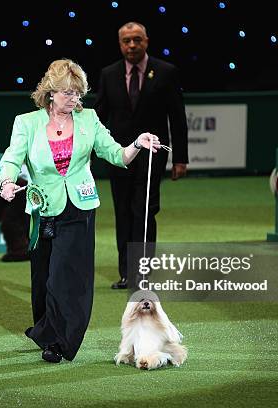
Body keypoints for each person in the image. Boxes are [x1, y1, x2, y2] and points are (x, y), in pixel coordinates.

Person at [0, 59, 165, 363]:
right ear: (51, 93)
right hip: (42, 209)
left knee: (67, 277)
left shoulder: (88, 119)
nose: (75, 100)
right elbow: (12, 157)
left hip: (80, 207)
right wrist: (7, 181)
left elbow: (116, 155)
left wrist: (137, 144)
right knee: (44, 279)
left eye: (78, 94)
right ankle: (45, 332)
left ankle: (59, 342)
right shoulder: (27, 122)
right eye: (68, 94)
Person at [94, 22, 189, 290]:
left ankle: (143, 273)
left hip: (152, 155)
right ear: (120, 43)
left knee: (145, 210)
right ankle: (126, 273)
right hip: (118, 155)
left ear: (146, 41)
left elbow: (177, 118)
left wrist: (180, 158)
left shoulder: (166, 72)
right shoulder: (108, 74)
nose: (132, 45)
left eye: (137, 40)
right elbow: (97, 118)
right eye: (127, 41)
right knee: (123, 212)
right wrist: (87, 153)